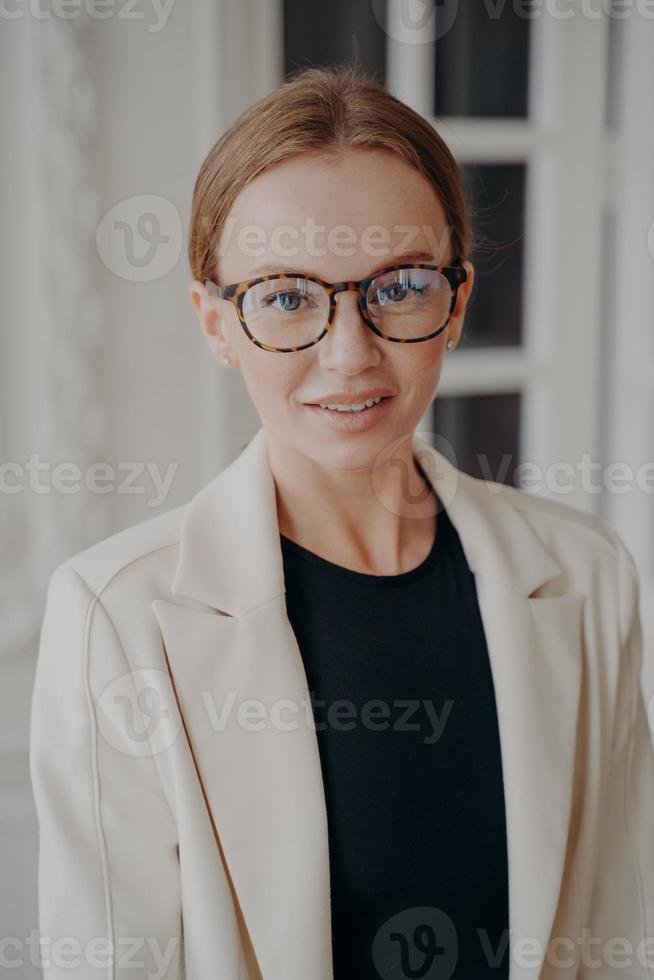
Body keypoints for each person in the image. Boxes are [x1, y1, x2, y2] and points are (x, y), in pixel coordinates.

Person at [30, 65, 654, 980]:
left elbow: (620, 933)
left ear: (457, 302)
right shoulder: (113, 618)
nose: (350, 353)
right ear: (216, 323)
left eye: (398, 285)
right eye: (286, 296)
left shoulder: (587, 575)